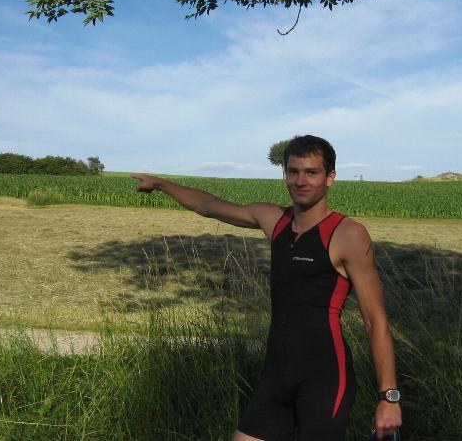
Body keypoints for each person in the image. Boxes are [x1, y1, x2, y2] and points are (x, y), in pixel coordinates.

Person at [131, 135, 402, 441]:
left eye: (311, 172)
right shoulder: (274, 220)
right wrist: (161, 184)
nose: (300, 181)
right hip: (277, 375)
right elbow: (208, 206)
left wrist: (388, 397)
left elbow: (374, 320)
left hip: (325, 377)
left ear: (330, 177)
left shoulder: (348, 234)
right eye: (293, 171)